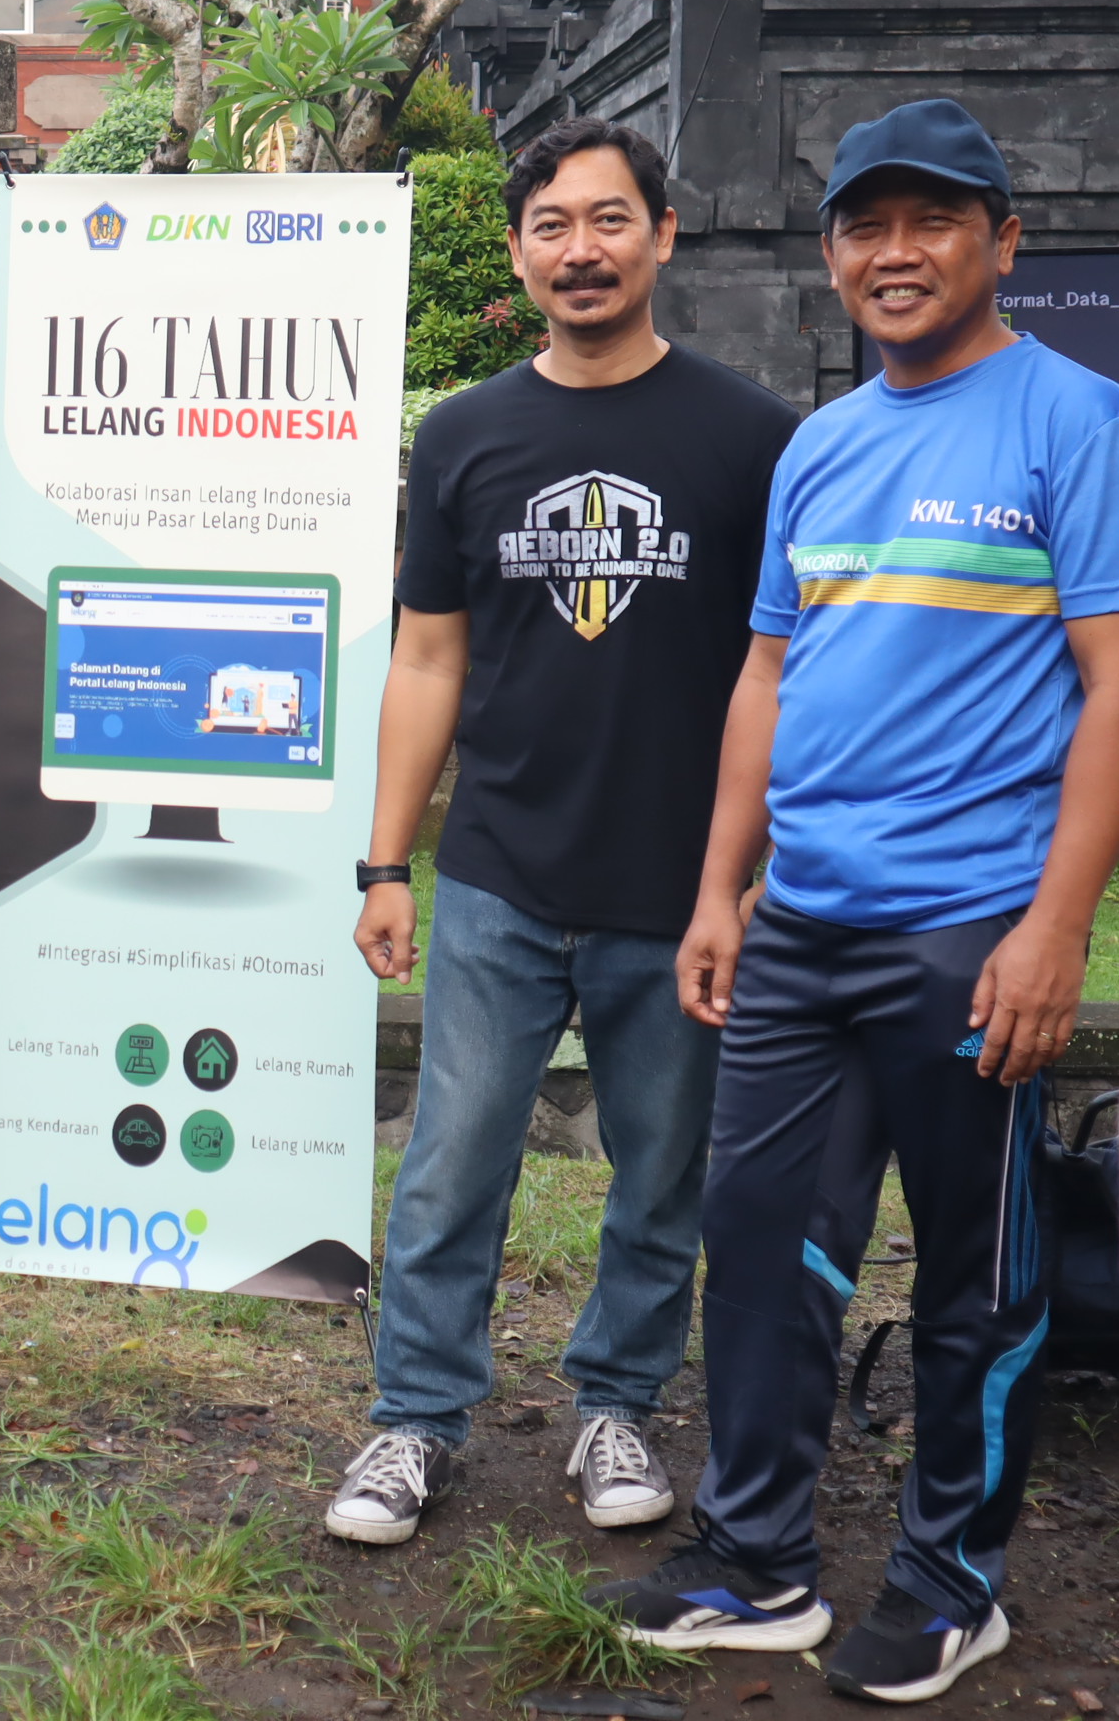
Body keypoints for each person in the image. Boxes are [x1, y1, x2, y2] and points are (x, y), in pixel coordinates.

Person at [596, 100, 1119, 1702]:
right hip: (801, 928)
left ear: (1003, 239)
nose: (895, 252)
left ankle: (948, 1577)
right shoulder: (826, 447)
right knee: (762, 1239)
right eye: (866, 225)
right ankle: (758, 1557)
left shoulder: (1082, 425)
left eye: (933, 221)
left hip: (969, 933)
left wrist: (1055, 929)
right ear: (834, 252)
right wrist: (724, 890)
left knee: (976, 1278)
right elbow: (767, 681)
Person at [331, 119, 798, 1548]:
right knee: (451, 1159)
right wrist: (386, 859)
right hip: (499, 879)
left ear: (664, 235)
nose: (578, 249)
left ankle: (617, 1403)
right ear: (521, 250)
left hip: (679, 889)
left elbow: (779, 672)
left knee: (661, 1165)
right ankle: (413, 1420)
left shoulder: (753, 438)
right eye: (550, 224)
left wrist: (742, 875)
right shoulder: (465, 435)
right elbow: (426, 661)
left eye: (608, 220)